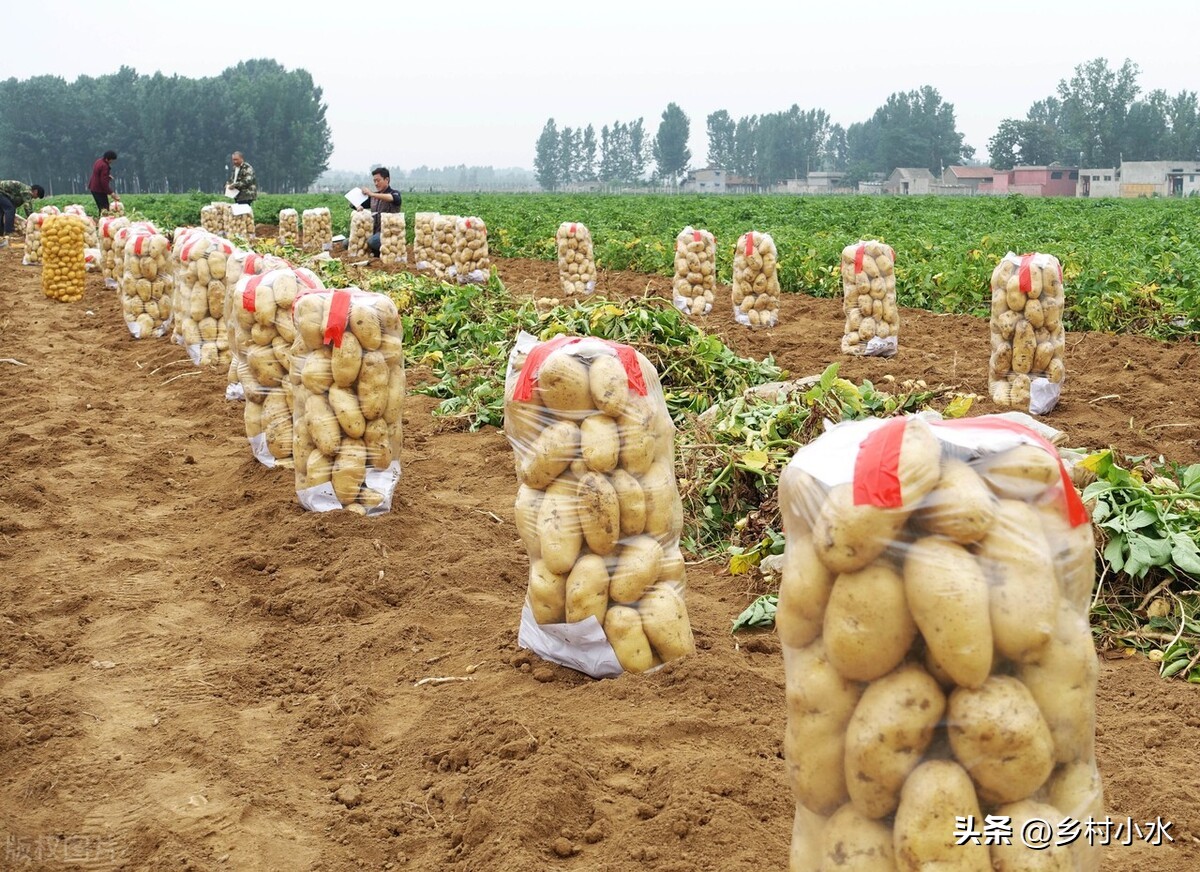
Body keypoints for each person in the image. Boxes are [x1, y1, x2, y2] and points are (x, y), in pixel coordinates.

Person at [356, 167, 402, 256]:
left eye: (378, 180)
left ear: (387, 179)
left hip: (390, 233)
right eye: (374, 181)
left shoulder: (394, 193)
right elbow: (354, 204)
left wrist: (372, 194)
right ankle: (375, 253)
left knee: (372, 241)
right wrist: (358, 204)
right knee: (347, 243)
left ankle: (391, 252)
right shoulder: (373, 197)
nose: (376, 183)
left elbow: (394, 198)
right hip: (374, 232)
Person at [0, 180, 45, 247]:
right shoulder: (27, 191)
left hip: (3, 194)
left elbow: (13, 202)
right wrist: (33, 220)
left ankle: (1, 234)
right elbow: (27, 207)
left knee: (2, 211)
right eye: (37, 196)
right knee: (10, 209)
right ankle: (9, 232)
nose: (35, 198)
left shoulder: (23, 191)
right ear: (35, 191)